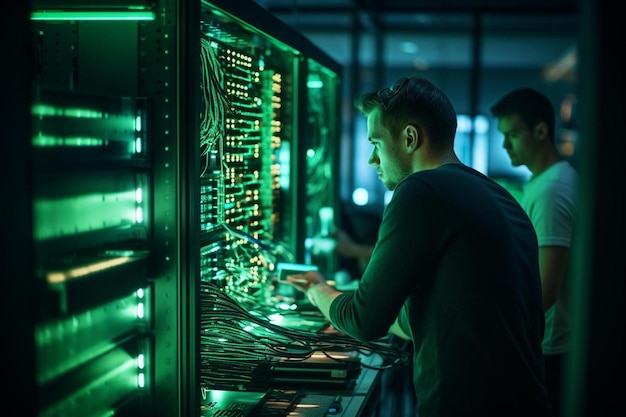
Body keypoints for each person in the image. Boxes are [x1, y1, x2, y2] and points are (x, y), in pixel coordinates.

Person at [286, 76, 552, 417]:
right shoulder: (496, 195)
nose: (372, 159)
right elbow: (439, 315)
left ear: (410, 138)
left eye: (376, 143)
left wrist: (317, 288)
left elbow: (362, 320)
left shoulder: (420, 190)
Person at [490, 88, 578, 417]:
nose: (505, 145)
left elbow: (546, 287)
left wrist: (500, 332)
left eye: (512, 134)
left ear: (540, 131)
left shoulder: (551, 191)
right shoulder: (550, 182)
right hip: (550, 342)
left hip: (550, 345)